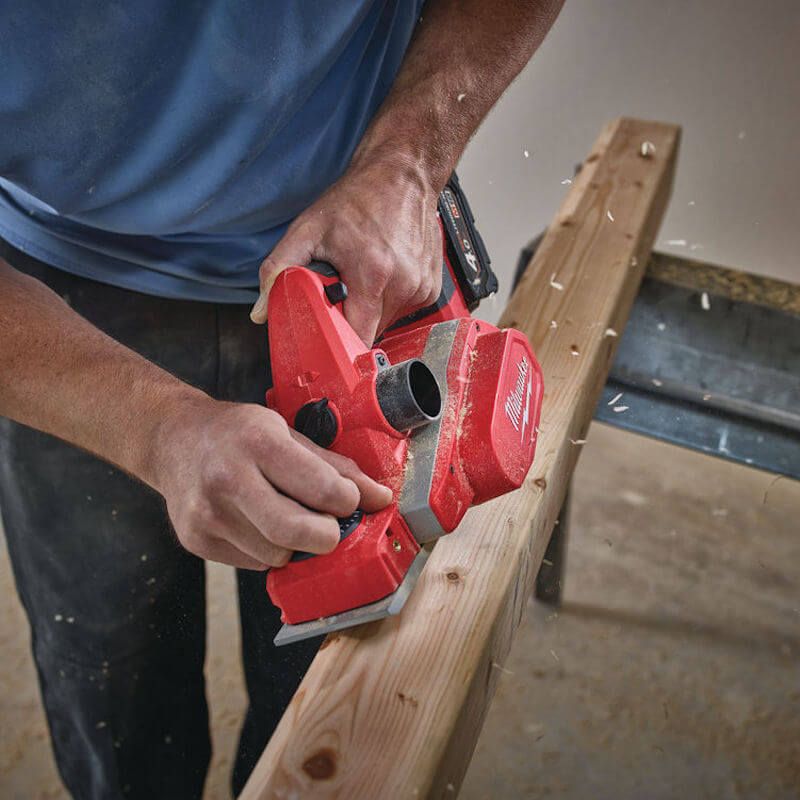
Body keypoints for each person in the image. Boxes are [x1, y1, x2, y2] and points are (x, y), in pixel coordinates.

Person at [0, 1, 563, 797]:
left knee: (342, 689)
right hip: (59, 295)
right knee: (109, 675)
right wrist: (153, 426)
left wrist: (409, 159)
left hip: (361, 247)